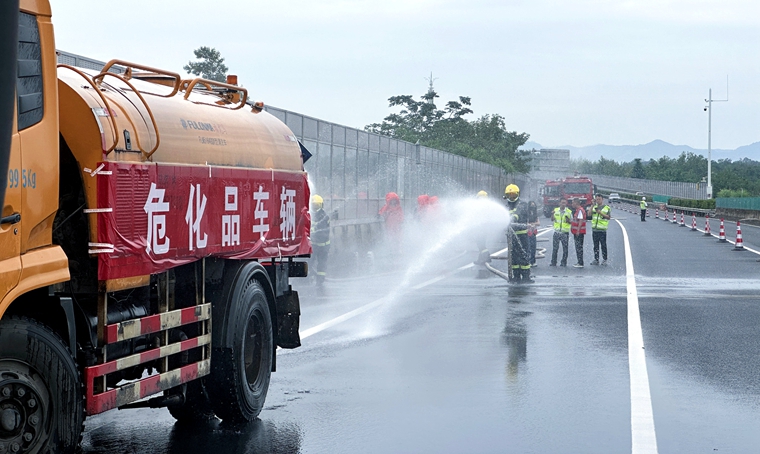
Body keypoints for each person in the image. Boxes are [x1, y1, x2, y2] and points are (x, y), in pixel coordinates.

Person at [503, 184, 532, 283]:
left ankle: (526, 277)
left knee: (524, 255)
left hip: (522, 235)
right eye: (509, 195)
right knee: (513, 256)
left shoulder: (522, 204)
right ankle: (516, 276)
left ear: (518, 194)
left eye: (513, 195)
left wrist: (513, 218)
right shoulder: (505, 206)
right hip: (511, 236)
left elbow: (518, 213)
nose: (511, 197)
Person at [310, 194, 330, 286]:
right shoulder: (310, 214)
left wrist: (313, 230)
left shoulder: (324, 216)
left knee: (321, 264)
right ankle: (311, 278)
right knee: (310, 262)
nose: (315, 207)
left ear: (321, 205)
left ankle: (320, 281)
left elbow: (322, 230)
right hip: (314, 245)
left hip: (323, 245)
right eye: (314, 205)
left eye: (317, 205)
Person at [549, 198, 572, 267]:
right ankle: (553, 262)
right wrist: (552, 214)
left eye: (564, 203)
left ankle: (564, 262)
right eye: (562, 203)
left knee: (565, 248)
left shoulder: (569, 212)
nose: (563, 204)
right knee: (555, 248)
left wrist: (568, 220)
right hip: (557, 232)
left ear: (566, 203)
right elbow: (552, 219)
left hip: (565, 232)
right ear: (559, 203)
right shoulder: (556, 210)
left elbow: (572, 221)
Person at [589, 194, 611, 265]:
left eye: (599, 199)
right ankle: (596, 259)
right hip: (595, 230)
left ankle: (604, 259)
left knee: (603, 245)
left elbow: (608, 217)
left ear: (602, 199)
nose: (598, 201)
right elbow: (589, 214)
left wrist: (600, 212)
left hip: (602, 230)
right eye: (597, 199)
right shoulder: (594, 207)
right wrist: (592, 205)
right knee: (595, 245)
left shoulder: (606, 208)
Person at [474, 190, 491, 265]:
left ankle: (486, 256)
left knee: (480, 244)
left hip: (481, 229)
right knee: (480, 243)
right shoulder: (487, 206)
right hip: (482, 229)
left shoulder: (483, 207)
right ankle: (481, 258)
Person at [570, 198, 587, 268]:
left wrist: (578, 231)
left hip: (579, 232)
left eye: (573, 203)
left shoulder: (580, 210)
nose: (572, 204)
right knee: (578, 247)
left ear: (576, 203)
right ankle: (579, 261)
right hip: (578, 232)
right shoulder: (578, 210)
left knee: (579, 247)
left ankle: (580, 262)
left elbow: (580, 221)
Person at [527, 201, 540, 266]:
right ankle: (528, 261)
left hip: (533, 232)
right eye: (531, 206)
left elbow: (538, 223)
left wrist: (533, 224)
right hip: (527, 232)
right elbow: (525, 223)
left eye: (533, 206)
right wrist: (529, 225)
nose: (532, 207)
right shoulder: (526, 214)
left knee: (533, 247)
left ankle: (533, 261)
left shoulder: (535, 215)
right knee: (528, 247)